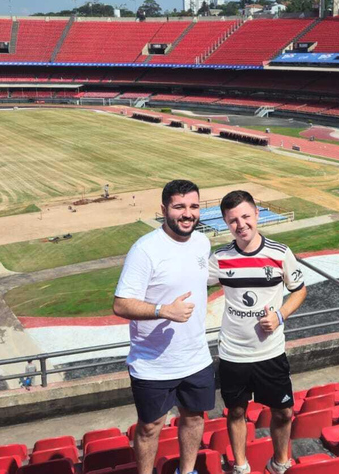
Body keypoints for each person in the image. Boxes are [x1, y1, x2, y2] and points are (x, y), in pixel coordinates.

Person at [114, 180, 214, 474]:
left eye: (193, 206)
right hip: (152, 364)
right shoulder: (144, 250)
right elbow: (121, 304)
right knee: (149, 428)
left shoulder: (202, 242)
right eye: (179, 206)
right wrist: (163, 311)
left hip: (196, 357)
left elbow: (196, 277)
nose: (188, 214)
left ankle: (188, 471)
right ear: (163, 209)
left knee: (195, 418)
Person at [208, 191, 307, 474]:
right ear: (226, 224)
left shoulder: (280, 253)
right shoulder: (221, 258)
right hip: (233, 353)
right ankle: (241, 467)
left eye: (245, 216)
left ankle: (280, 463)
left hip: (270, 352)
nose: (241, 225)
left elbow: (300, 291)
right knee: (236, 412)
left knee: (284, 412)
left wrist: (279, 316)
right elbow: (190, 279)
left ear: (257, 215)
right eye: (233, 220)